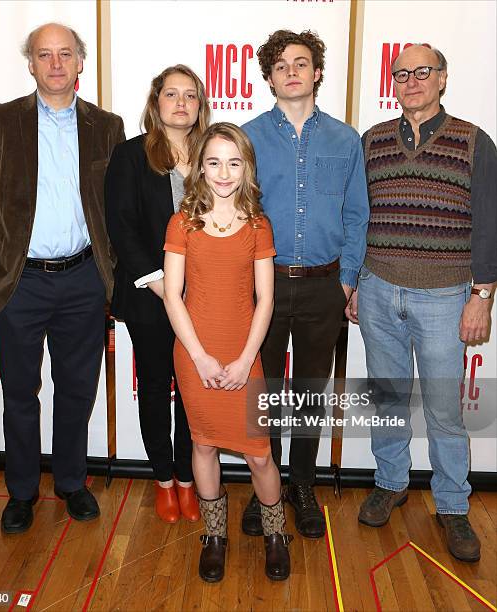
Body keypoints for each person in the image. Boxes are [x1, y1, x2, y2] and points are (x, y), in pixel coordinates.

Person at [0, 23, 125, 534]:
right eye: (44, 55)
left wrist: (110, 275)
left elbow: (117, 208)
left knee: (77, 392)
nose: (55, 64)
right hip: (19, 284)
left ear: (80, 63)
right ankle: (22, 492)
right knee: (19, 396)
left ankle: (72, 482)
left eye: (65, 54)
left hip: (83, 281)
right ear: (30, 64)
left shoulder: (107, 127)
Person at [349, 44, 497, 563]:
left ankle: (453, 505)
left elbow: (489, 225)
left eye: (422, 72)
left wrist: (482, 295)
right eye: (402, 73)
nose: (411, 81)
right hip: (378, 290)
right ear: (393, 81)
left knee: (444, 411)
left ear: (442, 78)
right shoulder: (371, 142)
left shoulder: (474, 141)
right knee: (388, 400)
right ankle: (390, 483)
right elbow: (357, 218)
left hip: (443, 297)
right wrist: (355, 282)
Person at [242, 30, 369, 538]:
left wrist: (346, 280)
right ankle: (263, 486)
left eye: (301, 62)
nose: (291, 71)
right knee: (264, 394)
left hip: (324, 288)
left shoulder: (345, 139)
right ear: (269, 77)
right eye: (280, 65)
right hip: (263, 286)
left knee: (313, 395)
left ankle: (301, 486)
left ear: (317, 72)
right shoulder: (246, 137)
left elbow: (358, 214)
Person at [163, 123, 292, 582]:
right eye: (214, 161)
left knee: (259, 454)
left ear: (247, 168)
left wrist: (243, 360)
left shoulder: (259, 224)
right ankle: (214, 536)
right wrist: (199, 357)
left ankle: (276, 535)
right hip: (195, 354)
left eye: (233, 162)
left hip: (244, 353)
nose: (223, 172)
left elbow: (266, 300)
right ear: (200, 167)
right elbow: (173, 296)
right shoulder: (182, 222)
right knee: (202, 444)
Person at [105, 65, 210, 524]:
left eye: (190, 95)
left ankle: (189, 481)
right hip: (151, 297)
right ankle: (164, 482)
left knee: (194, 394)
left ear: (200, 105)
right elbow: (121, 225)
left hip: (206, 300)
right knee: (154, 388)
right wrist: (161, 283)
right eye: (172, 94)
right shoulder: (130, 155)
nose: (181, 103)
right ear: (156, 103)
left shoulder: (216, 152)